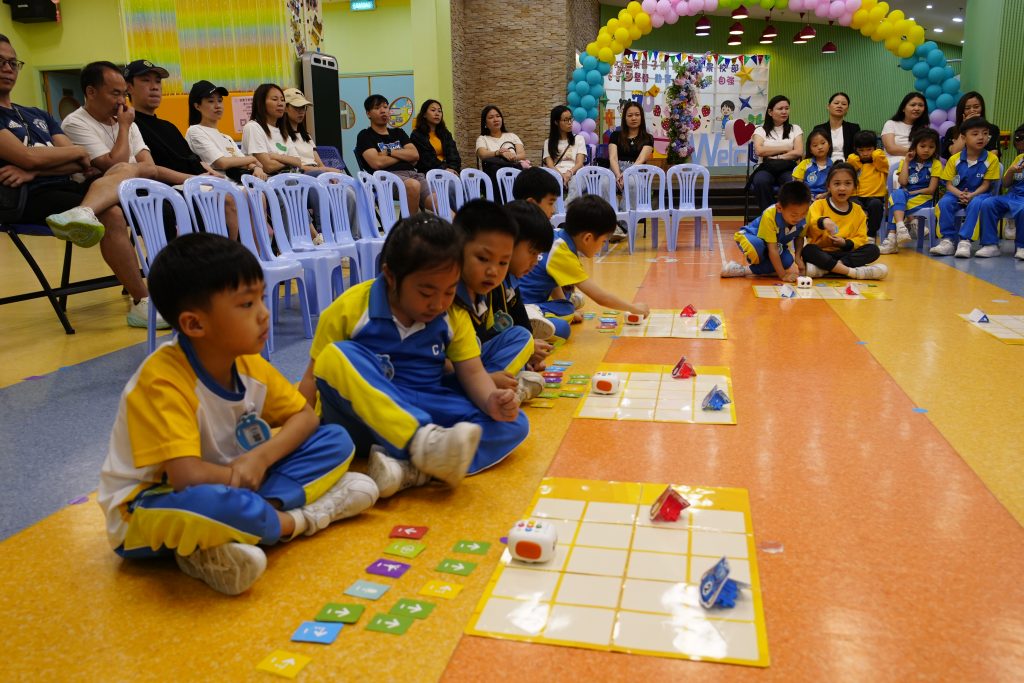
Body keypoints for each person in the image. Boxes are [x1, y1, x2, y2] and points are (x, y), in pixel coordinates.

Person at [96, 233, 379, 596]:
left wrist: (259, 460)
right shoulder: (162, 382)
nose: (264, 313)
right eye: (246, 304)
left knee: (335, 440)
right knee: (210, 504)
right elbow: (186, 477)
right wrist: (238, 475)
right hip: (150, 505)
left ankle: (226, 537)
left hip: (234, 481)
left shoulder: (247, 363)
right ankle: (302, 519)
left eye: (261, 297)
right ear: (195, 325)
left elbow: (305, 418)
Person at [299, 214, 527, 499]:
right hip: (360, 420)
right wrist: (298, 436)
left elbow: (472, 372)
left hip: (425, 405)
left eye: (449, 291)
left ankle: (413, 469)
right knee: (335, 357)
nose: (438, 303)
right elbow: (311, 379)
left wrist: (490, 400)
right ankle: (421, 447)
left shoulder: (453, 314)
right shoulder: (350, 308)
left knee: (514, 422)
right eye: (426, 292)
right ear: (391, 277)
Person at [0, 37, 156, 328]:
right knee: (111, 212)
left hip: (63, 186)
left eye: (12, 62)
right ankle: (142, 301)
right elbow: (29, 157)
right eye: (0, 62)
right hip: (24, 198)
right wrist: (39, 162)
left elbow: (82, 160)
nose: (8, 68)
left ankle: (83, 212)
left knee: (124, 170)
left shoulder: (37, 114)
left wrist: (34, 167)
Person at [125, 60, 240, 240]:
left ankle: (249, 250)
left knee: (245, 194)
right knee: (227, 198)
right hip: (165, 190)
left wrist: (211, 175)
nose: (154, 87)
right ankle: (229, 252)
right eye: (146, 81)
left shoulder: (169, 126)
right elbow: (149, 169)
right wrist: (194, 179)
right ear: (129, 87)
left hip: (193, 183)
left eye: (158, 82)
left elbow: (192, 159)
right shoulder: (130, 125)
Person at [450, 199, 545, 404]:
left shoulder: (482, 291)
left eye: (503, 262)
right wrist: (486, 380)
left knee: (523, 337)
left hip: (471, 368)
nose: (493, 271)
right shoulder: (446, 297)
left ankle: (495, 389)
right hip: (444, 381)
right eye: (483, 259)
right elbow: (434, 364)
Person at [518, 195, 650, 340]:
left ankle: (540, 313)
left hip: (522, 298)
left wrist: (566, 306)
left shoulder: (558, 236)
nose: (602, 246)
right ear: (587, 238)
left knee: (569, 304)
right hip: (525, 304)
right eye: (603, 241)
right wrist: (634, 308)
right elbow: (600, 297)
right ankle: (530, 318)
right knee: (563, 328)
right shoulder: (562, 252)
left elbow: (554, 279)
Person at [801, 163, 888, 280]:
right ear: (828, 186)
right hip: (822, 252)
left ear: (854, 187)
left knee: (873, 250)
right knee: (808, 250)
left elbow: (861, 238)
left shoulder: (858, 211)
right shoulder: (819, 205)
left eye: (848, 183)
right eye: (837, 183)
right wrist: (823, 221)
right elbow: (809, 224)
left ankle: (827, 269)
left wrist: (845, 243)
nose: (842, 188)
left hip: (845, 255)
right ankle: (852, 272)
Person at [930, 118, 1001, 257]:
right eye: (975, 134)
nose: (981, 137)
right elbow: (949, 184)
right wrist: (960, 194)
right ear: (963, 138)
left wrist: (972, 195)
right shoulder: (954, 159)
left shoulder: (992, 159)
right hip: (956, 193)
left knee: (977, 204)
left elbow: (986, 185)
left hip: (980, 194)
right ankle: (947, 241)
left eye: (985, 133)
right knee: (944, 203)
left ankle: (965, 241)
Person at [721, 181, 810, 282]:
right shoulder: (770, 215)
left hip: (775, 244)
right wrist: (783, 275)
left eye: (803, 214)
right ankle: (763, 267)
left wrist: (798, 258)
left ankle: (744, 270)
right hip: (751, 237)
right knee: (756, 246)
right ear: (779, 208)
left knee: (787, 261)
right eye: (794, 215)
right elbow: (773, 249)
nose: (799, 218)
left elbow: (799, 237)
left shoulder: (806, 215)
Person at [356, 94, 432, 212]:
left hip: (413, 174)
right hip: (385, 178)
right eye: (377, 108)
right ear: (368, 113)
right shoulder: (365, 135)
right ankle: (410, 224)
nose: (383, 111)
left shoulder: (398, 132)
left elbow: (415, 155)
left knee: (438, 200)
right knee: (413, 185)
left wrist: (389, 152)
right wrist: (404, 156)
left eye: (385, 107)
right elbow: (377, 163)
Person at [185, 80, 267, 182]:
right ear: (197, 106)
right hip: (217, 186)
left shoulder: (227, 138)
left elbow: (243, 161)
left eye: (220, 100)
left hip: (239, 183)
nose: (217, 105)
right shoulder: (195, 131)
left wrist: (256, 167)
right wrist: (253, 159)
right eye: (211, 101)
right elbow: (222, 163)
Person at [881, 127, 942, 254]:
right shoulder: (906, 162)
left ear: (936, 148)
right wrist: (907, 162)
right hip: (905, 196)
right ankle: (901, 227)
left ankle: (892, 238)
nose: (926, 150)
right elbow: (903, 182)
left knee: (894, 203)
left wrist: (912, 193)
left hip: (924, 198)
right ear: (914, 147)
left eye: (931, 147)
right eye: (922, 146)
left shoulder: (936, 164)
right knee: (897, 194)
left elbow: (931, 189)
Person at [974, 128, 1024, 260]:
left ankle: (1022, 247)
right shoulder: (1020, 158)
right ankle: (990, 245)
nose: (1019, 141)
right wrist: (1011, 171)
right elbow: (1006, 184)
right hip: (1012, 195)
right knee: (988, 203)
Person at [749, 95, 804, 211]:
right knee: (760, 181)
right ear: (770, 112)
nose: (784, 111)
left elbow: (799, 152)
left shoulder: (795, 129)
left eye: (787, 108)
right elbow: (759, 151)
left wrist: (777, 156)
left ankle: (787, 213)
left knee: (791, 182)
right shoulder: (760, 130)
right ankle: (769, 213)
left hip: (788, 167)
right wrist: (786, 148)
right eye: (780, 109)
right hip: (766, 167)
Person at [241, 83, 305, 176]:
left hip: (288, 178)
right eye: (275, 99)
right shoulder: (253, 127)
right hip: (267, 181)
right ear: (261, 103)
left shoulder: (282, 131)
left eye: (282, 100)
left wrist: (276, 156)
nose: (280, 104)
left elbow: (298, 162)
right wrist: (289, 164)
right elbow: (268, 166)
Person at [281, 87, 342, 173]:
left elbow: (320, 164)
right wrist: (326, 170)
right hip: (301, 175)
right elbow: (295, 167)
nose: (301, 111)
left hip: (317, 172)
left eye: (303, 107)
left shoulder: (306, 135)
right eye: (297, 107)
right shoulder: (281, 136)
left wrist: (328, 173)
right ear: (285, 108)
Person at [847, 130, 889, 240]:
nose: (865, 153)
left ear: (875, 148)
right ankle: (856, 234)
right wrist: (856, 157)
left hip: (875, 197)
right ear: (855, 150)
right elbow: (851, 161)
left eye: (869, 149)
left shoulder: (879, 163)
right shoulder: (855, 162)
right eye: (861, 150)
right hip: (856, 197)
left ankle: (871, 235)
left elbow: (879, 156)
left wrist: (875, 152)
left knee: (876, 205)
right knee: (852, 206)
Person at [940, 91, 1001, 161]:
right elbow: (954, 152)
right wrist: (965, 126)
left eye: (976, 107)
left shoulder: (992, 129)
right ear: (962, 111)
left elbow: (994, 153)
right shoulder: (951, 131)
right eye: (967, 108)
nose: (972, 110)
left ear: (982, 108)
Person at [542, 105, 587, 198]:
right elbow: (550, 165)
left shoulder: (579, 139)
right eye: (565, 120)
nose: (570, 122)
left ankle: (567, 207)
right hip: (555, 174)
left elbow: (579, 163)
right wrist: (561, 176)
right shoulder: (548, 142)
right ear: (556, 122)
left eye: (571, 119)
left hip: (575, 173)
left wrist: (569, 173)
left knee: (575, 183)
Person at [410, 99, 461, 175]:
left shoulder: (445, 133)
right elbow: (426, 159)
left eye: (439, 111)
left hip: (449, 171)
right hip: (429, 172)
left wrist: (453, 169)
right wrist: (444, 169)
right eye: (433, 110)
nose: (437, 114)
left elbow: (454, 155)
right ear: (424, 114)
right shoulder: (417, 135)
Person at [881, 92, 928, 165]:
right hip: (894, 164)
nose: (917, 108)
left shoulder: (924, 128)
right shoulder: (891, 124)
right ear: (903, 108)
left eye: (921, 105)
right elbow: (891, 149)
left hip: (917, 165)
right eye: (913, 105)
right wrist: (917, 152)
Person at [813, 92, 861, 162]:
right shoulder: (819, 129)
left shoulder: (854, 128)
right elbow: (814, 150)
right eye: (836, 103)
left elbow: (858, 151)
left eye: (844, 104)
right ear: (828, 106)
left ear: (847, 109)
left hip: (848, 164)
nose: (839, 106)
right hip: (824, 164)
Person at [792, 129, 833, 201]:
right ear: (810, 150)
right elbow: (799, 185)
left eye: (823, 143)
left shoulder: (834, 165)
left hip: (827, 197)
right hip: (806, 197)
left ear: (829, 144)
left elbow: (835, 186)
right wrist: (807, 196)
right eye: (815, 145)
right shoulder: (805, 163)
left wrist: (825, 195)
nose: (820, 147)